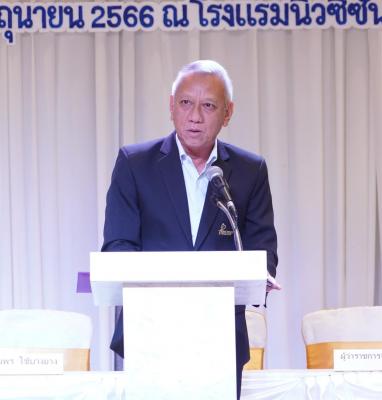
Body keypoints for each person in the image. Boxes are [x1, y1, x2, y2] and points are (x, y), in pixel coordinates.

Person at [102, 59, 278, 399]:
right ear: (171, 107)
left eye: (208, 106)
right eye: (185, 103)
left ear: (228, 113)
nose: (195, 116)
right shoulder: (134, 164)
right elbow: (118, 248)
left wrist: (261, 275)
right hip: (150, 332)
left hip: (221, 337)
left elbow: (263, 252)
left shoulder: (249, 170)